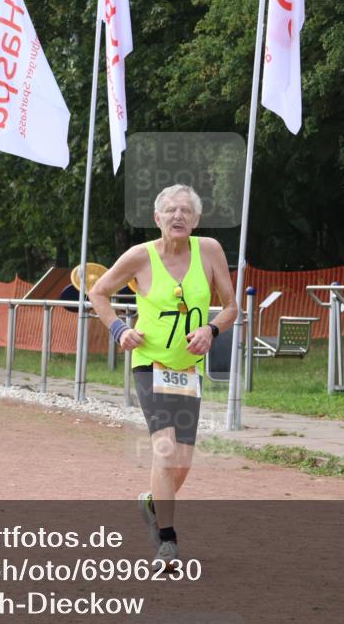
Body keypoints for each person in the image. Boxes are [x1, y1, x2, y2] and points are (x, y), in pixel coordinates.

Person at [89, 184, 237, 567]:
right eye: (170, 211)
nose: (178, 217)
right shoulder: (140, 257)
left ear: (196, 219)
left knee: (183, 462)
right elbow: (99, 292)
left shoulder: (210, 252)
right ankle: (167, 543)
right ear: (157, 219)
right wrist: (120, 330)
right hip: (149, 362)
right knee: (165, 448)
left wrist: (211, 330)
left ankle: (152, 503)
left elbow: (231, 307)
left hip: (187, 369)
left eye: (186, 211)